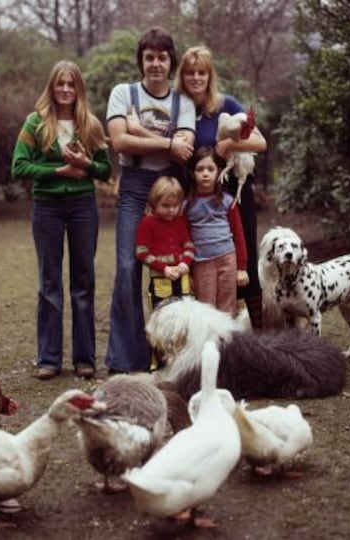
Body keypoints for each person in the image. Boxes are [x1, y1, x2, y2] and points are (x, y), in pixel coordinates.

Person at [11, 60, 111, 380]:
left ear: (79, 88)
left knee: (83, 282)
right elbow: (19, 167)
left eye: (71, 84)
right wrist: (58, 172)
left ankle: (84, 358)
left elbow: (107, 170)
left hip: (83, 206)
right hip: (47, 207)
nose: (66, 90)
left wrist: (86, 163)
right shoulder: (36, 123)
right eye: (60, 84)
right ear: (52, 87)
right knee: (49, 282)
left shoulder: (90, 125)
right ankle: (49, 358)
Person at [105, 27, 196, 374]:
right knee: (128, 267)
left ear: (170, 62)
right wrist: (167, 143)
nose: (155, 64)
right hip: (133, 187)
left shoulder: (183, 103)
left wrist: (140, 131)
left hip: (170, 189)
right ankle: (126, 358)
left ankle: (175, 352)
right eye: (149, 57)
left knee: (177, 268)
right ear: (141, 61)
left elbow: (185, 149)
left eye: (162, 57)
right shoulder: (123, 94)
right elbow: (119, 142)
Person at [176, 46, 267, 328]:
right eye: (190, 72)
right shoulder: (179, 109)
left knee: (245, 260)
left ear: (209, 75)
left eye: (202, 72)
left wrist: (228, 144)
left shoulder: (226, 105)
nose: (196, 78)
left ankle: (258, 333)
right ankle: (207, 331)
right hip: (199, 194)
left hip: (233, 191)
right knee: (203, 261)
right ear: (182, 76)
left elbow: (261, 142)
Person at [185, 146, 248, 315]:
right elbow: (184, 239)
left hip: (227, 258)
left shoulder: (228, 201)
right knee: (205, 308)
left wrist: (241, 268)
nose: (205, 173)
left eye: (210, 169)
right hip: (201, 262)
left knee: (227, 306)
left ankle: (226, 341)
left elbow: (239, 234)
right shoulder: (186, 204)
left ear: (219, 172)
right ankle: (207, 341)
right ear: (192, 173)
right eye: (200, 169)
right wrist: (187, 271)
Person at [135, 175, 194, 310]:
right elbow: (141, 252)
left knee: (184, 316)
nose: (171, 210)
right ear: (154, 203)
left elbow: (189, 245)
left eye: (175, 205)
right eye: (165, 206)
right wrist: (163, 268)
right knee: (161, 317)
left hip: (182, 278)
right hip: (161, 280)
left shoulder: (179, 220)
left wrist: (185, 262)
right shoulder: (147, 223)